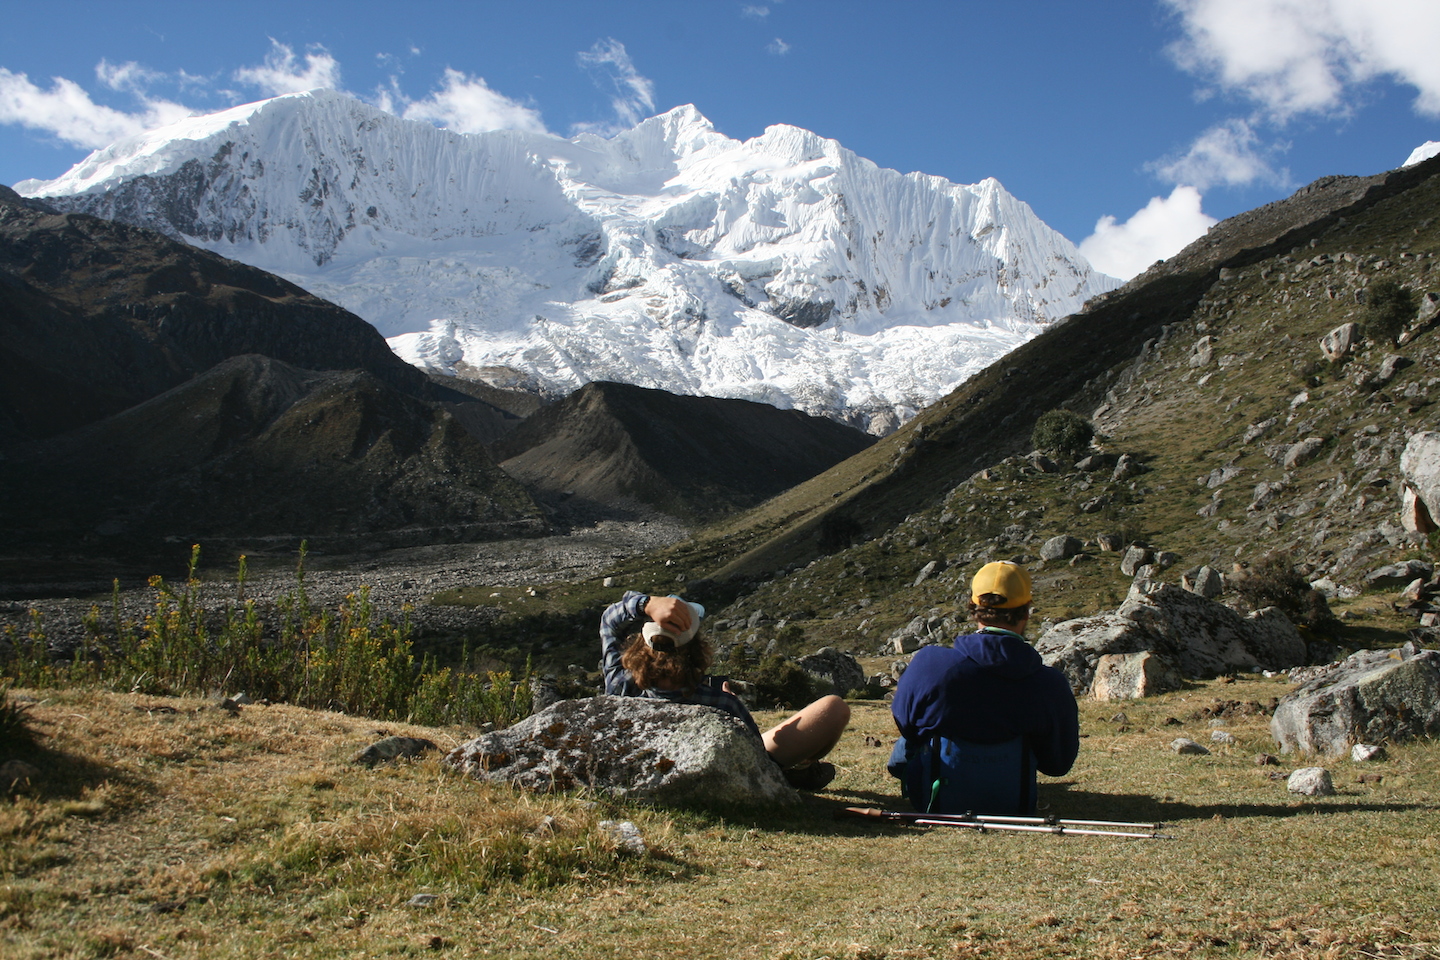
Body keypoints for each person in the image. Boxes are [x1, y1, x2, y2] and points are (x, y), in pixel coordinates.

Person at [600, 590, 851, 790]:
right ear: (696, 648)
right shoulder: (719, 703)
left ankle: (800, 772)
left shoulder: (620, 687)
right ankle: (798, 771)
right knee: (833, 707)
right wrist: (731, 713)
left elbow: (608, 623)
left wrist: (646, 604)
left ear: (641, 644)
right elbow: (757, 761)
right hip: (722, 780)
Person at [888, 561, 1079, 812]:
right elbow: (1058, 764)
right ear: (1026, 612)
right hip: (1014, 801)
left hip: (932, 797)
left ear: (974, 608)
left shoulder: (930, 663)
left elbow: (906, 726)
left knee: (911, 738)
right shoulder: (1050, 684)